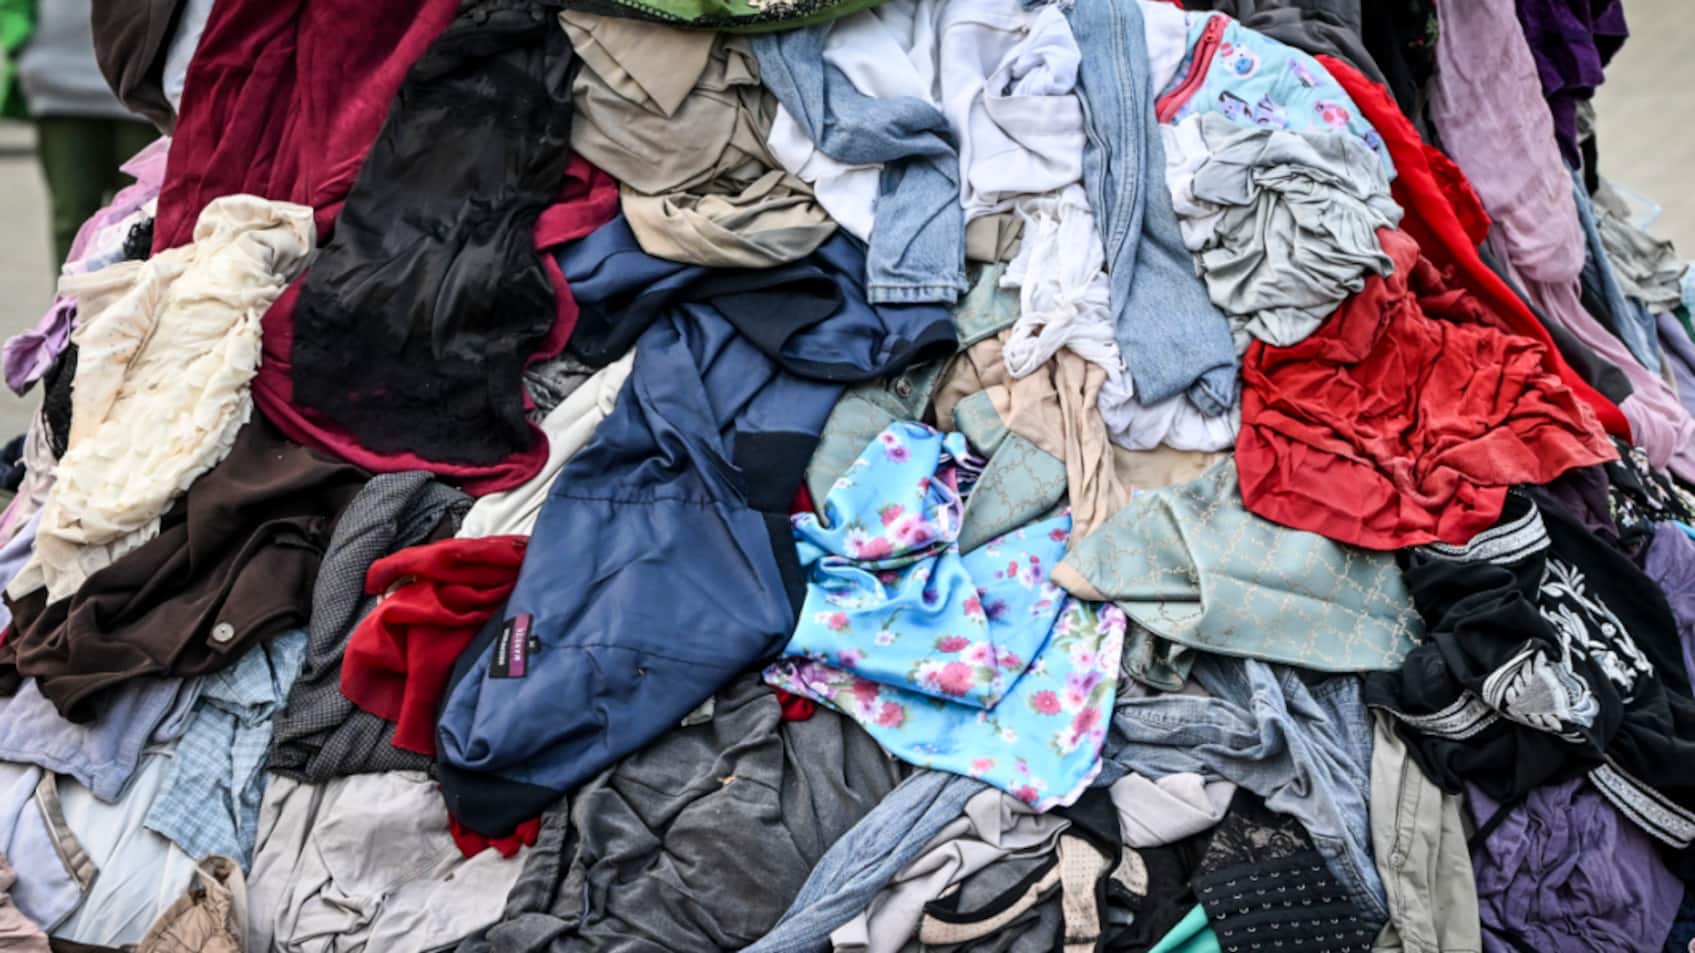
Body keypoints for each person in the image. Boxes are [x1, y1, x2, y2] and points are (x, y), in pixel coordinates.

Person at [2, 0, 153, 266]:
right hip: (57, 80)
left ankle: (145, 295)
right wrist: (19, 39)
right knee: (72, 221)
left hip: (143, 74)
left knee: (146, 216)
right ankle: (71, 294)